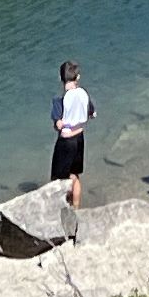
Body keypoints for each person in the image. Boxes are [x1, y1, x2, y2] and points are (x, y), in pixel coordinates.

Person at [51, 59, 94, 213]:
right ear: (78, 77)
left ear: (61, 79)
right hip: (80, 138)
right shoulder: (83, 95)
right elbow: (92, 113)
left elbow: (58, 124)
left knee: (59, 180)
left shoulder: (59, 100)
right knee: (75, 175)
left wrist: (58, 123)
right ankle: (76, 208)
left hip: (66, 141)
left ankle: (62, 211)